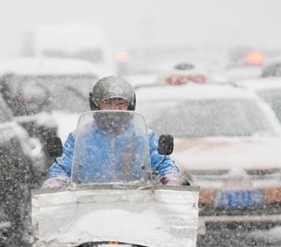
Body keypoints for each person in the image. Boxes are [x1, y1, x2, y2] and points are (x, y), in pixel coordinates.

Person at [41, 76, 184, 188]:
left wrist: (171, 178)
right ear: (96, 105)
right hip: (87, 205)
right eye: (109, 103)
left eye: (121, 103)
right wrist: (55, 181)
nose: (115, 108)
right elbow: (62, 166)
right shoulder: (79, 137)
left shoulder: (144, 136)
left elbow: (163, 163)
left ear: (130, 105)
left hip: (137, 205)